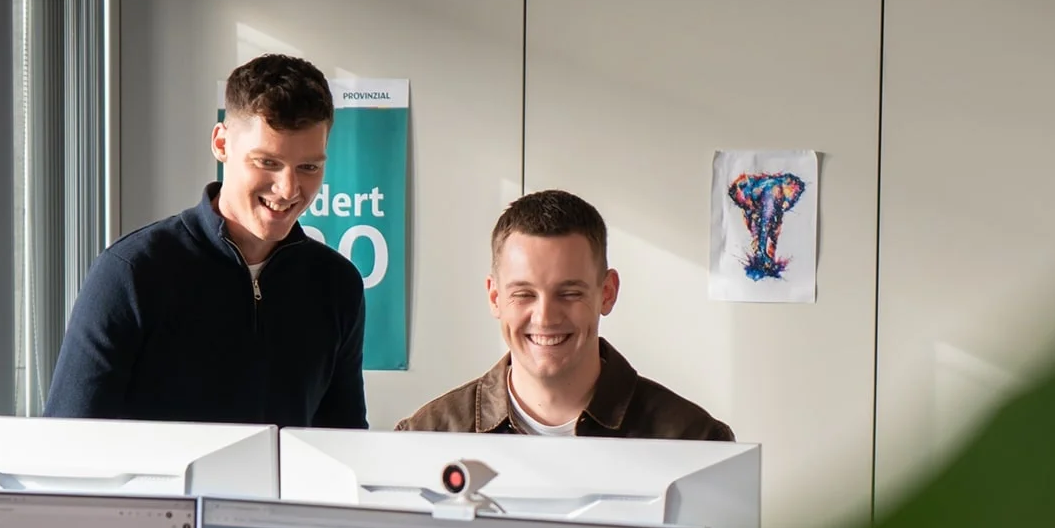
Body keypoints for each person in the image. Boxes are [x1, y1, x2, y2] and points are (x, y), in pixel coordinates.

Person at [45, 54, 368, 428]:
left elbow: (345, 444)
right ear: (221, 143)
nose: (288, 189)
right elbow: (68, 442)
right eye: (267, 163)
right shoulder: (132, 273)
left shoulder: (337, 284)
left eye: (308, 167)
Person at [400, 190, 730, 440]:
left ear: (607, 293)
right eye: (523, 294)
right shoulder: (426, 435)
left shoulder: (694, 439)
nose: (545, 317)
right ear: (495, 297)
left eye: (569, 293)